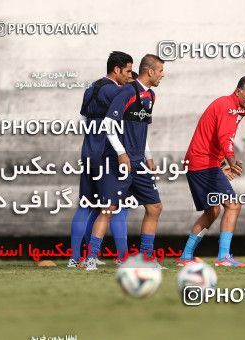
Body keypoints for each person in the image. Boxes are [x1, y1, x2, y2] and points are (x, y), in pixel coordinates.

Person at [84, 54, 165, 271]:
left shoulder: (151, 96)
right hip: (119, 162)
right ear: (150, 71)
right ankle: (90, 258)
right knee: (109, 208)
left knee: (155, 207)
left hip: (139, 162)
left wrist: (148, 156)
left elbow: (142, 129)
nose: (162, 75)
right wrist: (121, 153)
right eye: (160, 71)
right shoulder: (127, 92)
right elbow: (109, 124)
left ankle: (147, 258)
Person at [177, 75, 245, 267]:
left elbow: (216, 137)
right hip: (202, 162)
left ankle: (185, 257)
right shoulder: (228, 106)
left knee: (212, 211)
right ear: (238, 91)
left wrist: (221, 163)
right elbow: (225, 139)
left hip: (203, 162)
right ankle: (223, 257)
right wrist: (230, 162)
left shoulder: (234, 107)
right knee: (233, 205)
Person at [68, 51, 134, 268]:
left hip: (88, 150)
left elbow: (84, 119)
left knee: (87, 205)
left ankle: (76, 258)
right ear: (117, 70)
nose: (129, 76)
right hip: (108, 152)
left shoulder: (90, 88)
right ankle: (118, 257)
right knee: (113, 205)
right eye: (127, 71)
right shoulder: (118, 91)